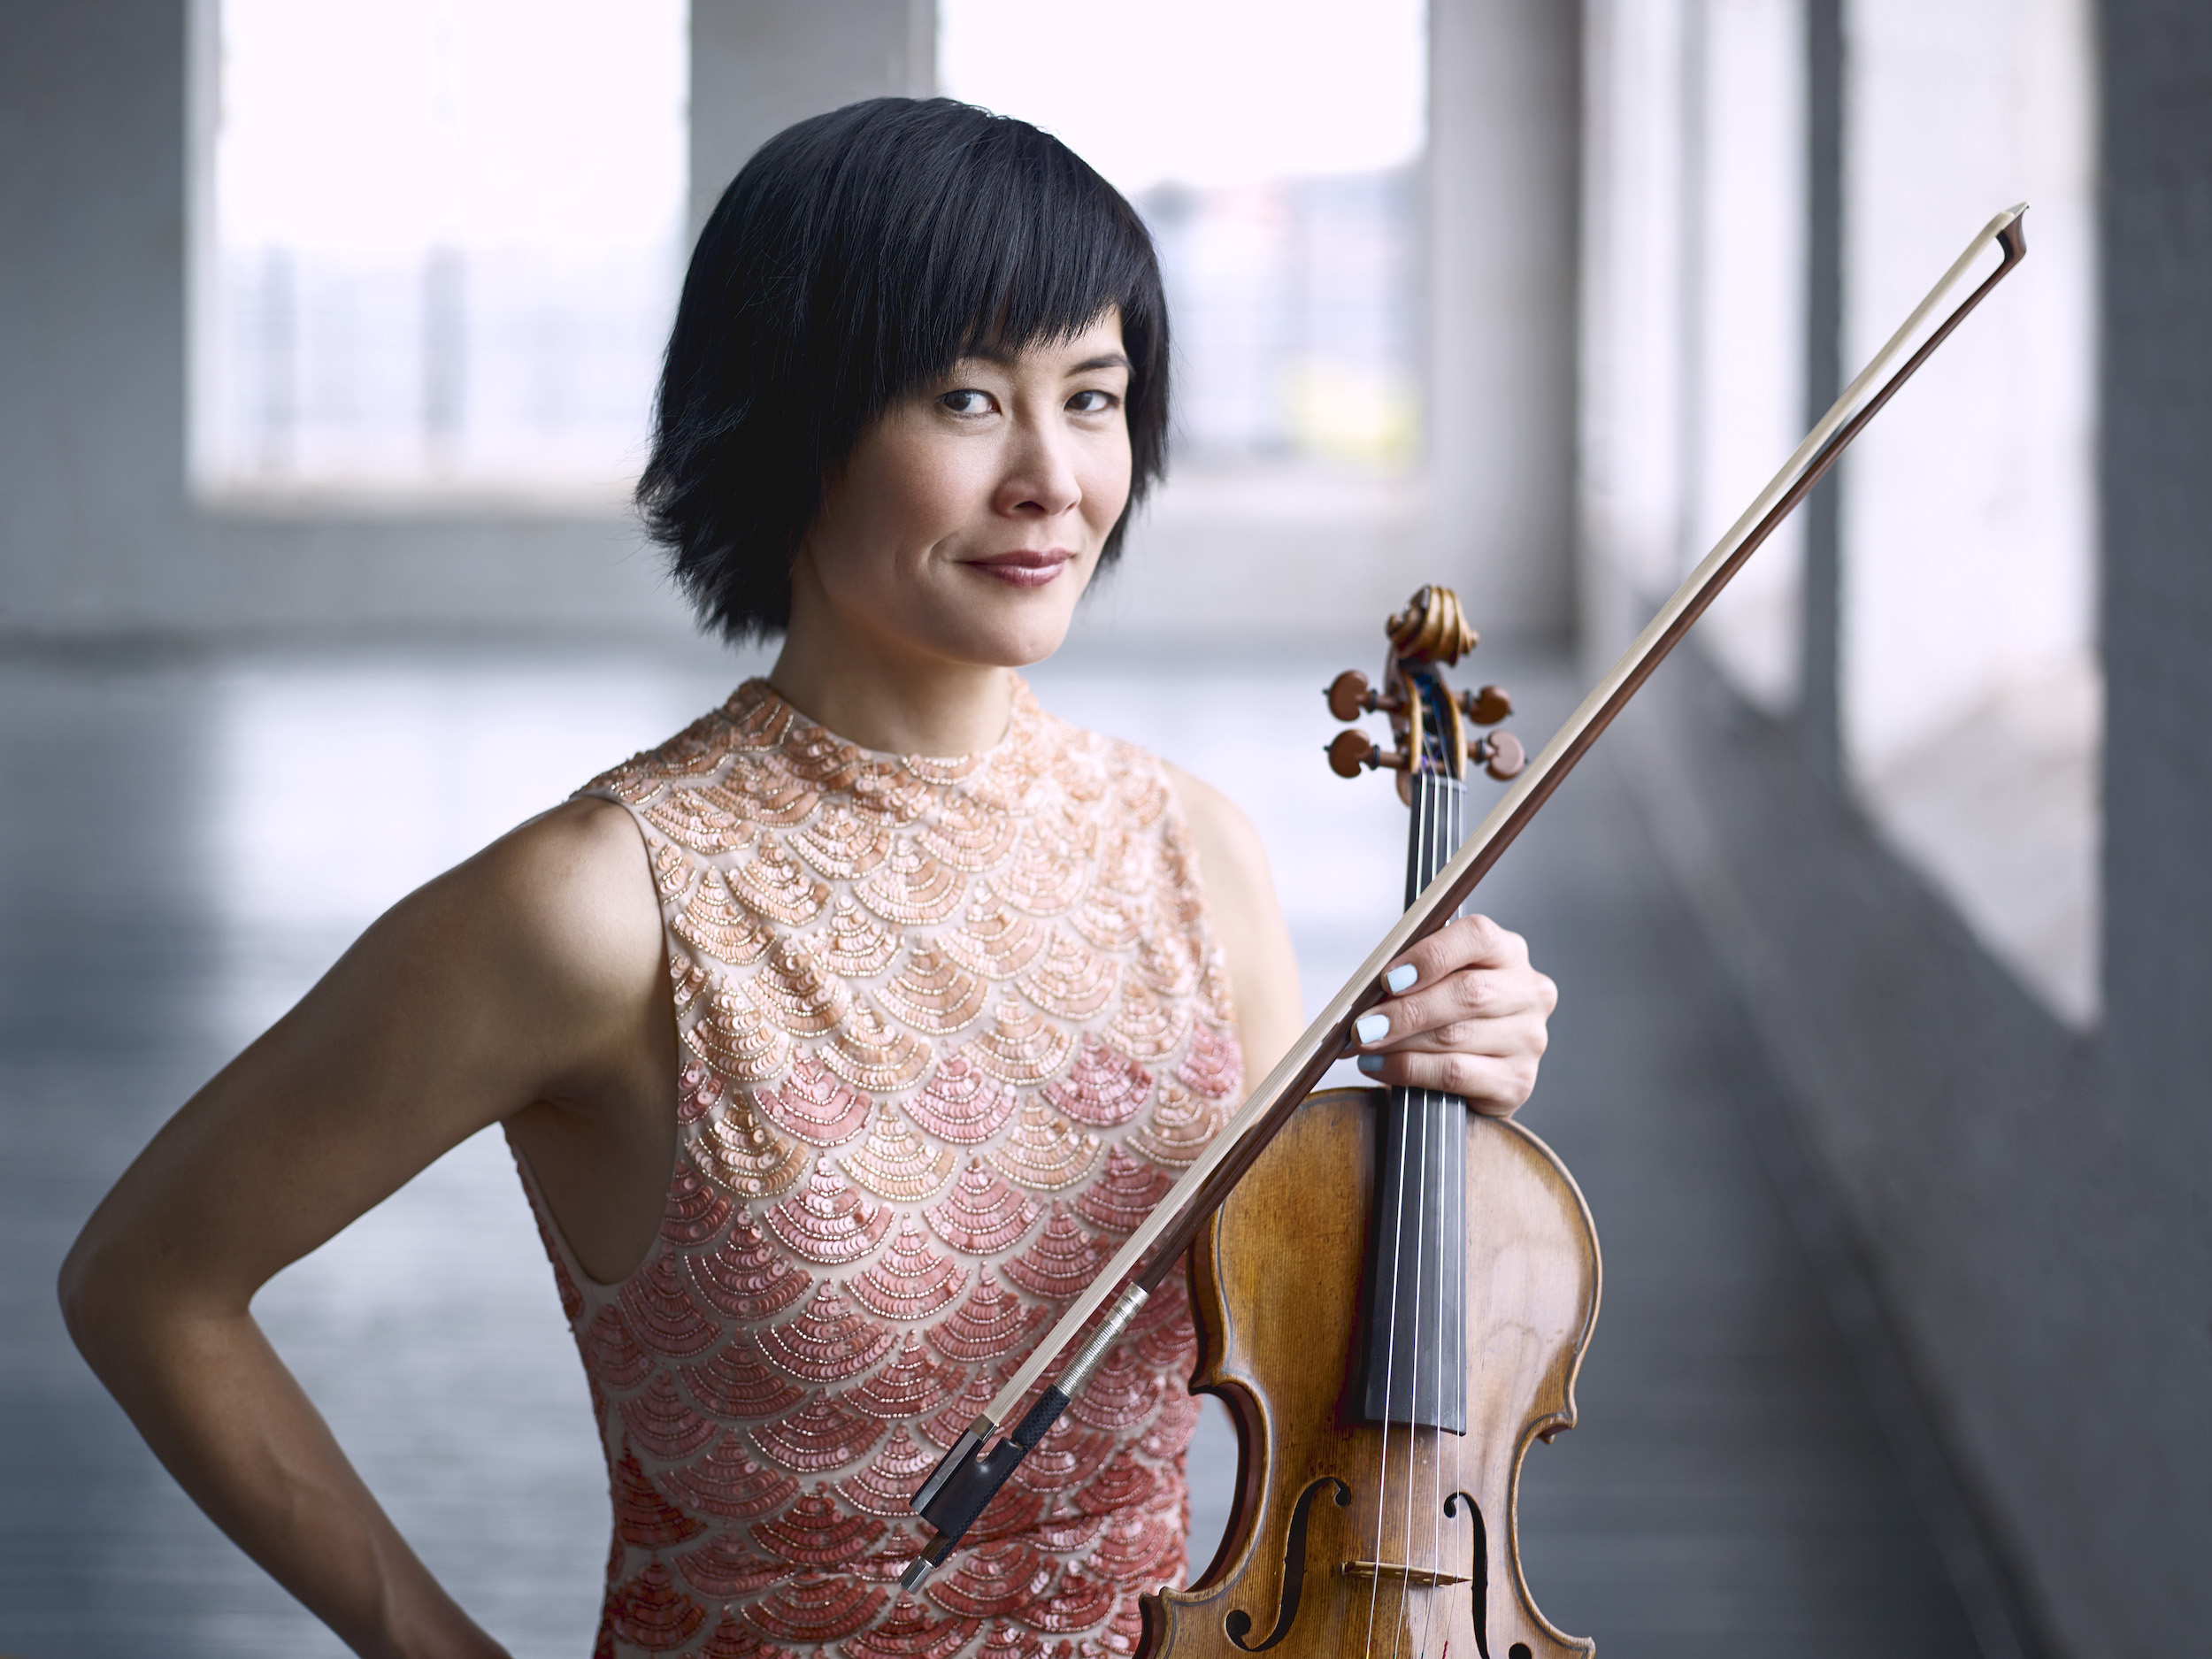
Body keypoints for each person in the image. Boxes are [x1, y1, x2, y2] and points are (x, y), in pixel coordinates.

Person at [59, 98, 1557, 1659]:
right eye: (968, 399)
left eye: (1095, 398)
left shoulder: (1194, 850)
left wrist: (1448, 1106)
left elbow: (1315, 1382)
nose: (1052, 476)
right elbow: (147, 1283)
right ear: (793, 424)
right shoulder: (605, 906)